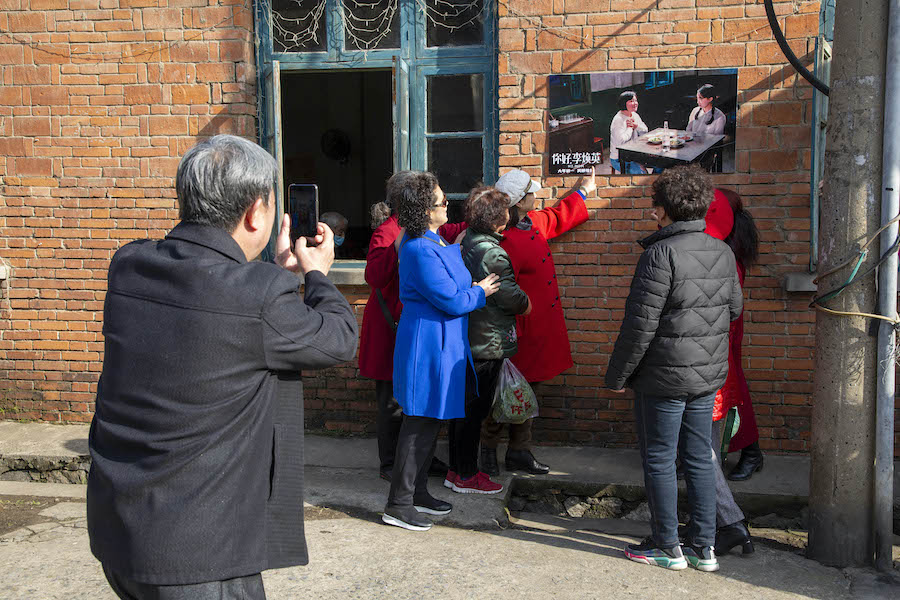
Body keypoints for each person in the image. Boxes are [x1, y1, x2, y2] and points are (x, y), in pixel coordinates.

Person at [86, 134, 359, 599]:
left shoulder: (129, 264)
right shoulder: (257, 295)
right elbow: (338, 341)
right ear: (256, 211)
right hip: (199, 554)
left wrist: (274, 273)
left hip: (122, 534)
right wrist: (316, 273)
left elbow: (218, 314)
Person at [605, 164, 742, 573]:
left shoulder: (659, 253)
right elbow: (734, 309)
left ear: (664, 210)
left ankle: (667, 545)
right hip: (707, 373)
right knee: (701, 456)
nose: (651, 211)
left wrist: (617, 376)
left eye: (654, 204)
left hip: (663, 377)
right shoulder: (722, 249)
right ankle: (705, 548)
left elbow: (639, 325)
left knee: (661, 459)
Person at [383, 171, 500, 531]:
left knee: (432, 421)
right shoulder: (419, 248)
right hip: (427, 345)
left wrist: (470, 290)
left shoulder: (430, 242)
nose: (448, 204)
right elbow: (451, 297)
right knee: (418, 424)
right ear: (424, 209)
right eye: (441, 201)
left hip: (443, 342)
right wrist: (479, 291)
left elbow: (454, 291)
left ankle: (417, 493)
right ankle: (398, 504)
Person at [479, 167, 596, 476]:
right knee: (505, 392)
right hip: (518, 330)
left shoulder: (532, 223)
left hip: (539, 329)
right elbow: (501, 289)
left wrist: (582, 190)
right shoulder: (503, 238)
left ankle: (519, 450)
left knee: (530, 391)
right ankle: (487, 449)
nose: (536, 196)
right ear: (520, 202)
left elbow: (558, 216)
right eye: (531, 193)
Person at [358, 175, 467, 482]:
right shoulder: (388, 230)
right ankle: (391, 464)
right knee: (393, 403)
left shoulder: (424, 226)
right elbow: (374, 277)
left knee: (416, 403)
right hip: (388, 328)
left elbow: (453, 230)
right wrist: (395, 246)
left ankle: (421, 459)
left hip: (412, 326)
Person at [448, 187, 532, 494]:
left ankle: (456, 470)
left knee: (463, 408)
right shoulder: (493, 252)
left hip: (468, 335)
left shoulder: (466, 240)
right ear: (499, 218)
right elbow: (509, 296)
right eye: (505, 211)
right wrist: (526, 303)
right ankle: (467, 476)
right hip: (487, 339)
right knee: (475, 410)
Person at [702, 189, 755, 556]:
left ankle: (729, 522)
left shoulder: (719, 256)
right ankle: (716, 521)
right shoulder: (728, 252)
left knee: (700, 452)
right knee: (705, 451)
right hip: (714, 359)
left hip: (706, 362)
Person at [710, 188, 764, 482]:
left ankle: (751, 451)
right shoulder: (726, 244)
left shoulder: (727, 251)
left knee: (732, 391)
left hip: (722, 328)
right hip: (719, 327)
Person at [609, 90, 649, 175]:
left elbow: (645, 130)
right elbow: (620, 141)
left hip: (634, 154)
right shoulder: (618, 119)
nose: (635, 103)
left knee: (659, 166)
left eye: (635, 100)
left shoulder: (634, 115)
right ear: (624, 103)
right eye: (631, 101)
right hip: (618, 158)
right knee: (641, 174)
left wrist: (636, 126)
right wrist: (630, 128)